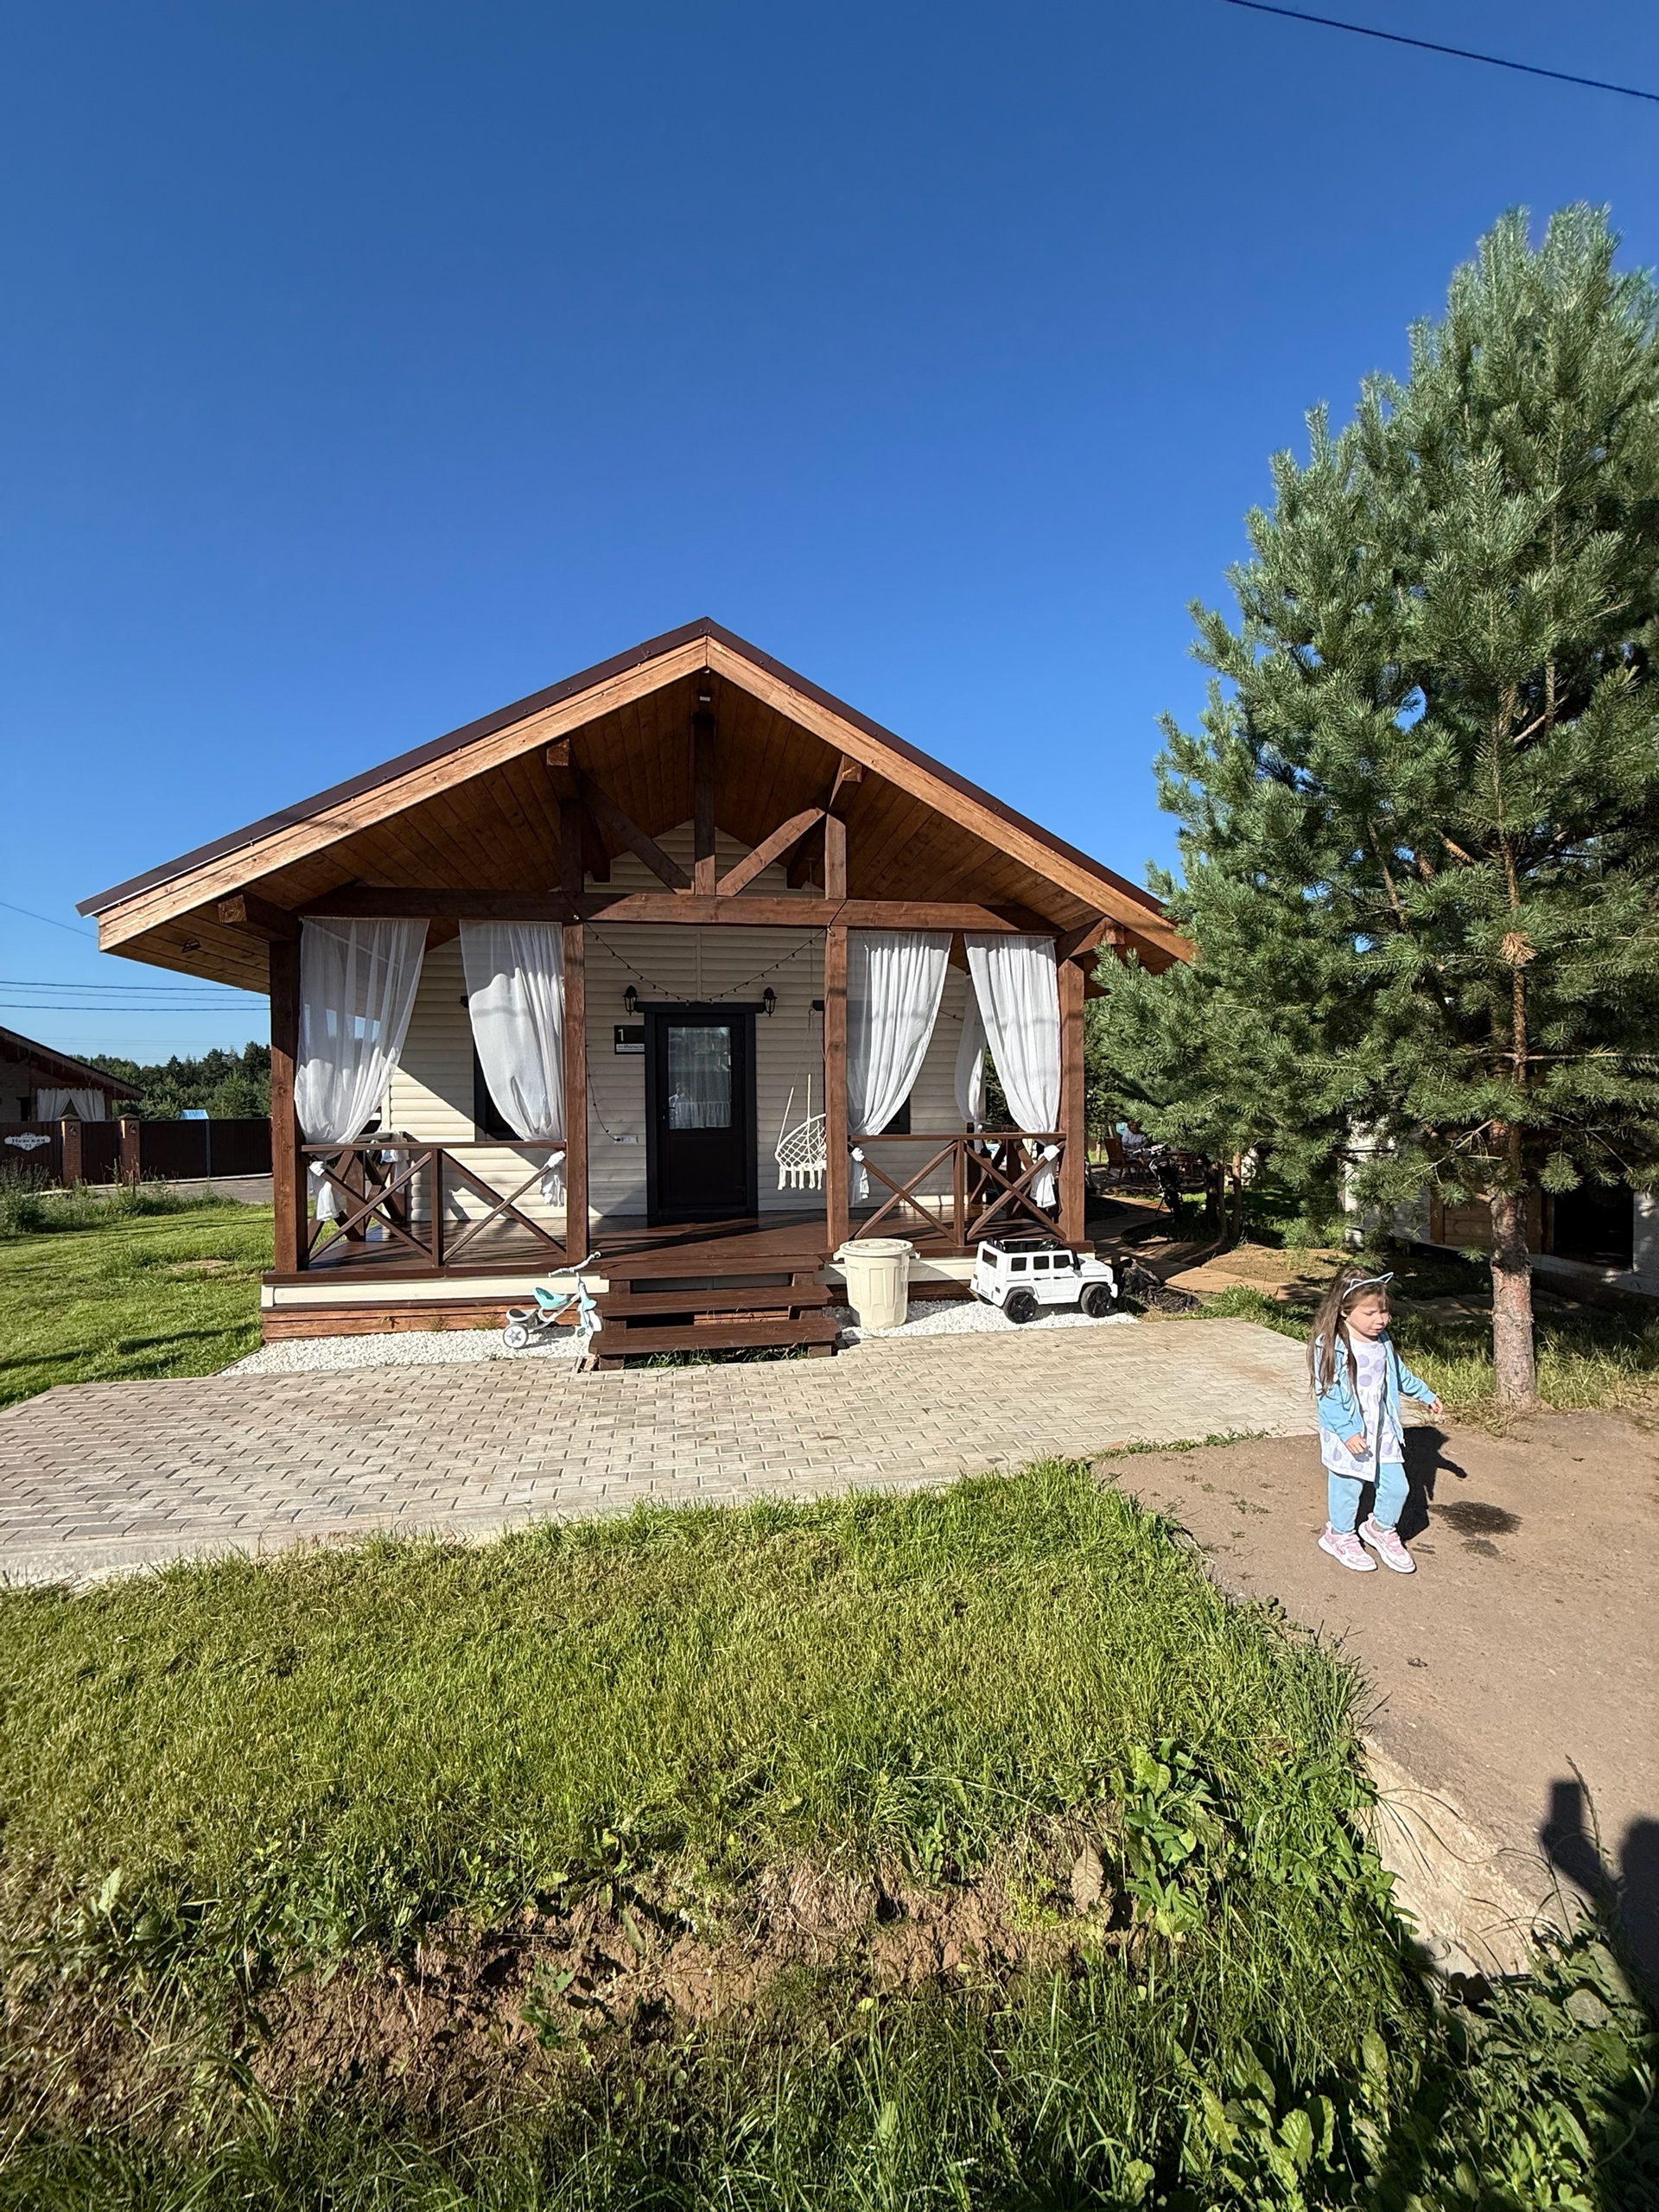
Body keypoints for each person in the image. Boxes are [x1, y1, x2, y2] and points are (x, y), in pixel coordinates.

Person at [1310, 1266, 1442, 1573]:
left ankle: (1380, 1528)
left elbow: (1399, 1375)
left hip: (1383, 1428)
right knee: (1348, 1486)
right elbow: (1327, 1397)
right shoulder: (1331, 1346)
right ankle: (1339, 1535)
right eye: (1370, 1313)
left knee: (1397, 1487)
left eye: (1384, 1311)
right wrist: (1346, 1432)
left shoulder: (1382, 1341)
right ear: (1344, 1311)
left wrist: (1425, 1394)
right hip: (1348, 1432)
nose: (1380, 1319)